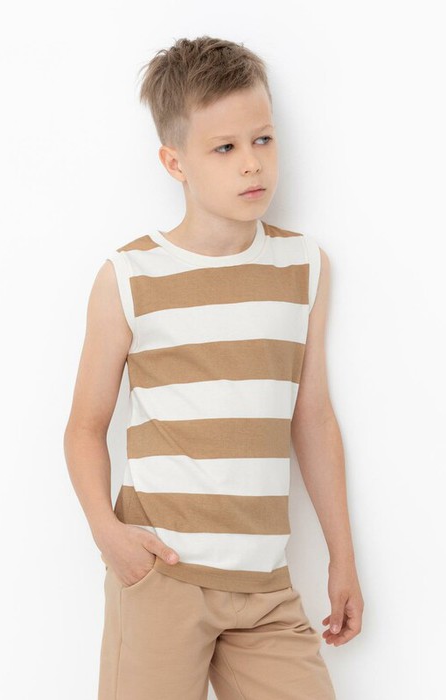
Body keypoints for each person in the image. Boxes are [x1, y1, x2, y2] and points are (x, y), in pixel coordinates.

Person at [63, 35, 364, 700]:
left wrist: (342, 557)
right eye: (224, 148)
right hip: (163, 576)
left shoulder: (303, 266)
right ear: (175, 162)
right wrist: (109, 536)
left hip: (266, 587)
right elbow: (85, 426)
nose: (252, 163)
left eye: (263, 139)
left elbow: (312, 419)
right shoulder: (129, 276)